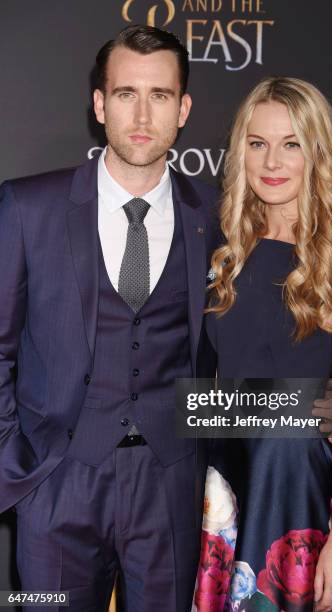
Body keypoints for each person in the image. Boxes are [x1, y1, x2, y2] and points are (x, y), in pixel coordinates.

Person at [0, 24, 220, 611]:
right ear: (100, 105)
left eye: (161, 95)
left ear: (184, 109)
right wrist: (18, 466)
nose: (142, 113)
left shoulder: (216, 217)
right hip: (56, 485)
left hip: (170, 482)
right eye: (126, 94)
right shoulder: (28, 208)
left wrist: (327, 411)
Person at [193, 77, 332, 611]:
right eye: (257, 143)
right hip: (224, 487)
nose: (271, 161)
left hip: (300, 490)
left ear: (318, 154)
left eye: (292, 145)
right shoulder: (224, 251)